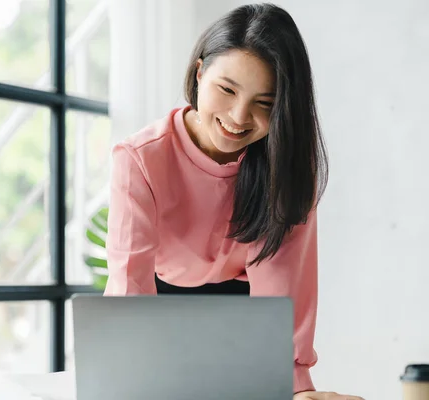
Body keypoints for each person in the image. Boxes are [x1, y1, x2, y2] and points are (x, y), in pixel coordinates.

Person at [103, 3, 364, 400]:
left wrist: (294, 388)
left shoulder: (288, 167)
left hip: (248, 310)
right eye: (227, 90)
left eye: (265, 103)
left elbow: (282, 286)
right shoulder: (139, 157)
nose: (239, 117)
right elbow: (129, 283)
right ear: (200, 72)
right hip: (160, 301)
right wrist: (125, 375)